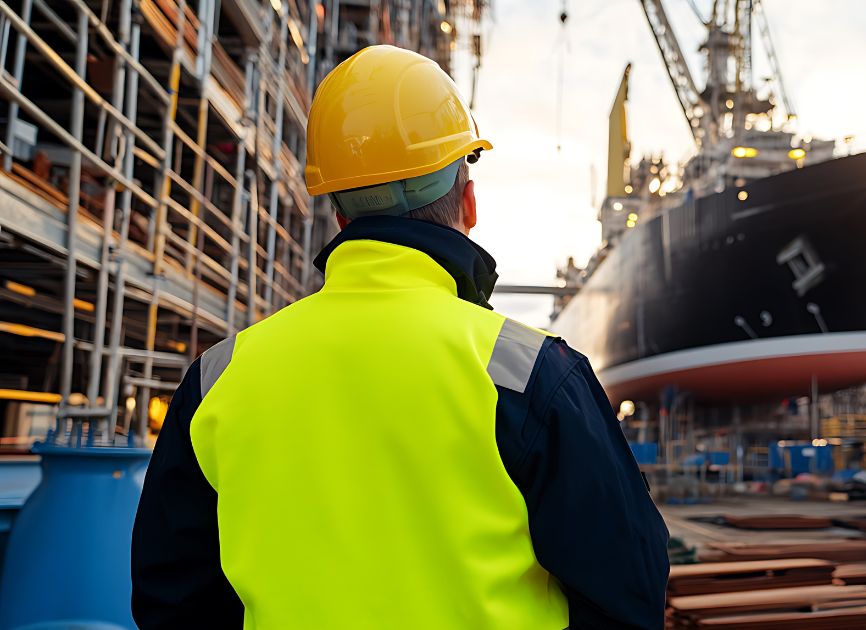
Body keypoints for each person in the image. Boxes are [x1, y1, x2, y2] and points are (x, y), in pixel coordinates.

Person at [131, 45, 669, 629]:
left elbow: (171, 600)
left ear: (339, 215)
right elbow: (629, 595)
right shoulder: (530, 375)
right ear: (468, 199)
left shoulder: (220, 377)